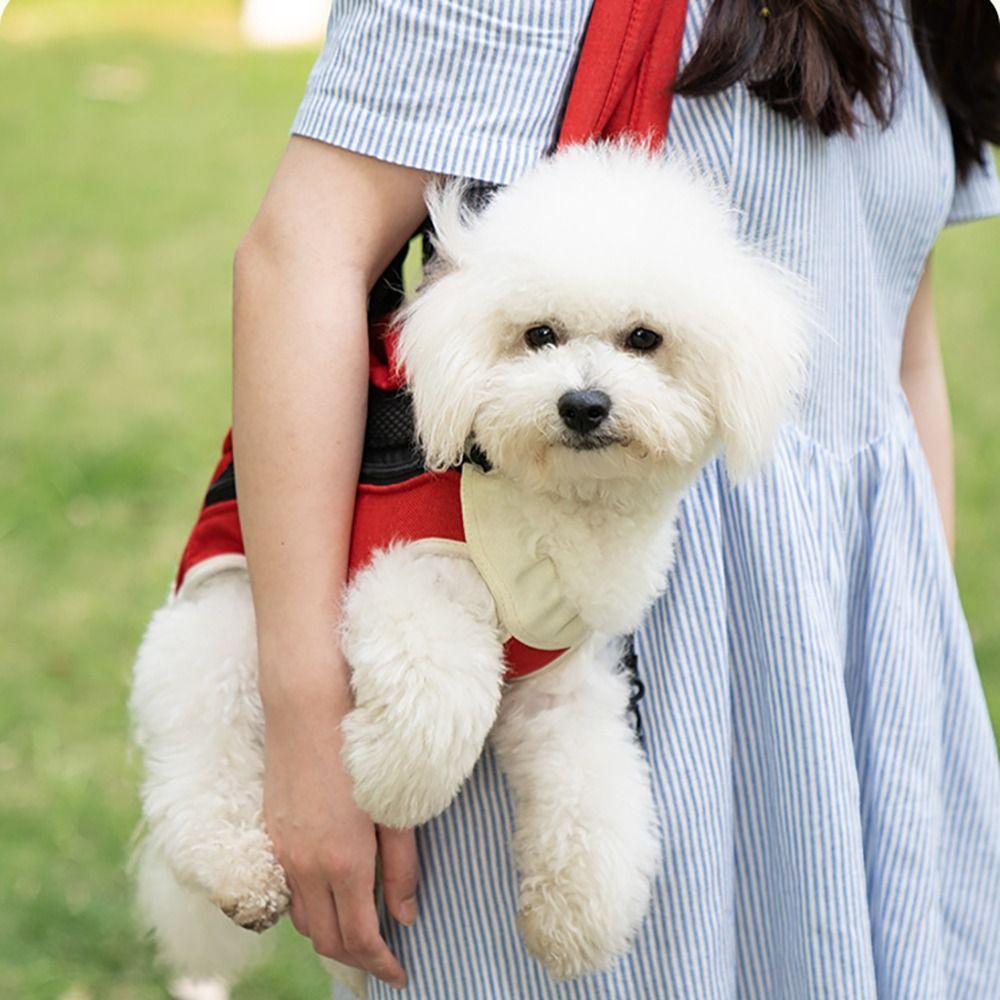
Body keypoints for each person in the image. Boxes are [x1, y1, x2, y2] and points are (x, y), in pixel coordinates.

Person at [232, 1, 1000, 996]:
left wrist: (908, 667)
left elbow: (896, 339)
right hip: (593, 642)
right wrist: (306, 719)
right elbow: (302, 255)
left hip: (849, 649)